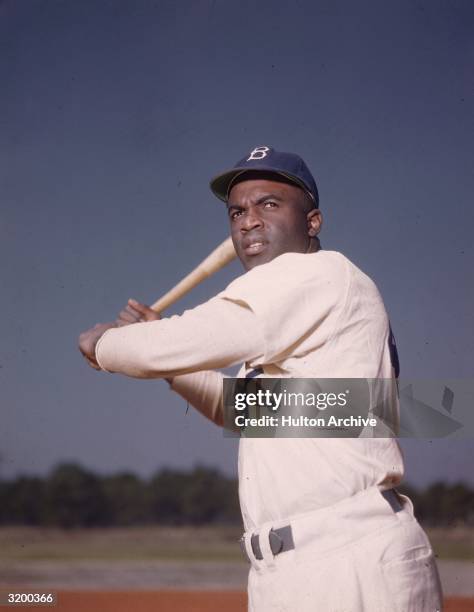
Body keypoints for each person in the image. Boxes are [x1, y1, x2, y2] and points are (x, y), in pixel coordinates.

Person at [78, 146, 443, 611]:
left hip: (346, 558)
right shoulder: (299, 320)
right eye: (237, 211)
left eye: (268, 204)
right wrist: (162, 352)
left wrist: (104, 344)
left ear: (313, 221)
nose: (247, 220)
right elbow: (240, 409)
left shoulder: (316, 274)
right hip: (290, 571)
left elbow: (190, 337)